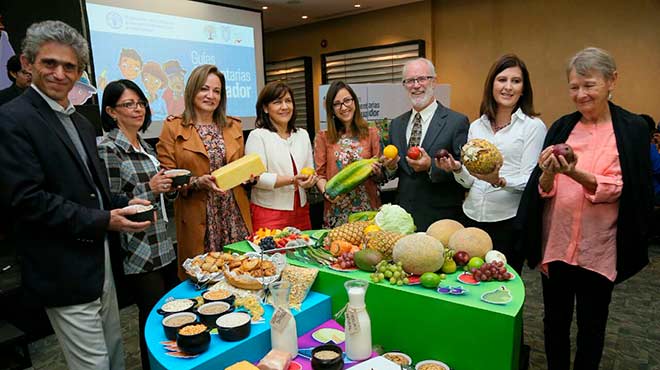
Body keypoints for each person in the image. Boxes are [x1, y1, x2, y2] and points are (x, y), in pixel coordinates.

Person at [0, 20, 152, 370]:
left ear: (80, 72)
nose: (59, 73)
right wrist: (105, 219)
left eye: (69, 66)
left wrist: (125, 205)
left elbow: (92, 190)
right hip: (62, 268)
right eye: (49, 63)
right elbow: (26, 201)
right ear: (27, 63)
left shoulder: (82, 122)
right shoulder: (12, 119)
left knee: (115, 354)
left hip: (101, 264)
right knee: (93, 365)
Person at [517, 47, 652, 370]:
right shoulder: (563, 127)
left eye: (589, 85)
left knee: (592, 326)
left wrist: (574, 172)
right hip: (559, 243)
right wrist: (549, 170)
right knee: (554, 323)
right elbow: (543, 190)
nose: (580, 94)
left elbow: (622, 188)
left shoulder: (632, 130)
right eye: (574, 87)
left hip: (599, 248)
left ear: (612, 81)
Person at [435, 54, 546, 273]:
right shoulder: (477, 126)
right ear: (492, 85)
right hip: (471, 216)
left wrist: (500, 181)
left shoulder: (533, 127)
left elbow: (531, 179)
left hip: (507, 222)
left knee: (500, 285)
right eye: (502, 80)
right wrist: (457, 169)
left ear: (524, 89)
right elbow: (470, 181)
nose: (508, 87)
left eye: (516, 81)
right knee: (468, 280)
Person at [97, 79, 178, 370]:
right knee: (153, 319)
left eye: (141, 103)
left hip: (162, 239)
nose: (137, 109)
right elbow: (111, 203)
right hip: (137, 246)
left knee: (172, 311)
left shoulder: (145, 146)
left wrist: (168, 186)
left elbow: (154, 193)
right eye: (128, 104)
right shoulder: (107, 148)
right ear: (111, 111)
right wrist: (151, 189)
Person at [157, 64, 252, 279]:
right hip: (198, 216)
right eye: (204, 89)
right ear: (192, 90)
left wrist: (249, 177)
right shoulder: (173, 128)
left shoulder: (233, 126)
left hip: (233, 213)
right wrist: (198, 182)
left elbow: (240, 166)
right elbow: (168, 180)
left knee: (241, 274)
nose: (211, 96)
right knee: (204, 278)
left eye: (217, 91)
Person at [382, 57, 469, 231]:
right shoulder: (397, 124)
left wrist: (431, 166)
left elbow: (466, 175)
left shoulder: (456, 122)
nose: (416, 85)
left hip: (441, 221)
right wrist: (390, 167)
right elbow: (396, 171)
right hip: (403, 220)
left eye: (421, 79)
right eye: (409, 81)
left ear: (434, 81)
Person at [245, 81, 317, 230]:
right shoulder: (258, 136)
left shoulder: (302, 134)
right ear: (265, 108)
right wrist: (292, 180)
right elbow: (257, 178)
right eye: (277, 102)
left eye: (288, 101)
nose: (285, 107)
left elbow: (310, 169)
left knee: (302, 253)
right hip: (269, 213)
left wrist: (310, 181)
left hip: (301, 210)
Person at [314, 81, 381, 228]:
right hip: (336, 210)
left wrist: (377, 171)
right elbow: (319, 175)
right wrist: (328, 193)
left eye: (347, 101)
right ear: (331, 109)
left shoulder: (371, 133)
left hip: (367, 211)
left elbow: (382, 175)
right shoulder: (323, 137)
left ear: (354, 101)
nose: (343, 107)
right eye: (337, 104)